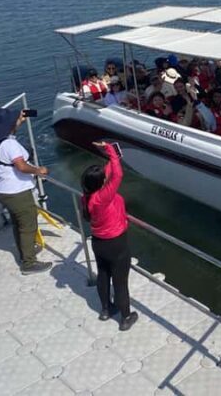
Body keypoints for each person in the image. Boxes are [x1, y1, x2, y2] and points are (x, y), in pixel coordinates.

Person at [81, 141, 138, 331]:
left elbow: (107, 175)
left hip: (99, 243)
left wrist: (113, 157)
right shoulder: (103, 198)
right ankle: (126, 317)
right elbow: (118, 175)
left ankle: (106, 309)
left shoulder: (87, 196)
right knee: (120, 283)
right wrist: (111, 152)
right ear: (102, 184)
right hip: (117, 245)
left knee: (103, 275)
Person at [0, 108, 51, 275]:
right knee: (28, 225)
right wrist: (39, 171)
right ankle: (28, 263)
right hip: (17, 192)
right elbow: (21, 166)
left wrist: (18, 121)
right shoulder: (10, 145)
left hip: (4, 190)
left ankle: (26, 251)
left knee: (18, 223)